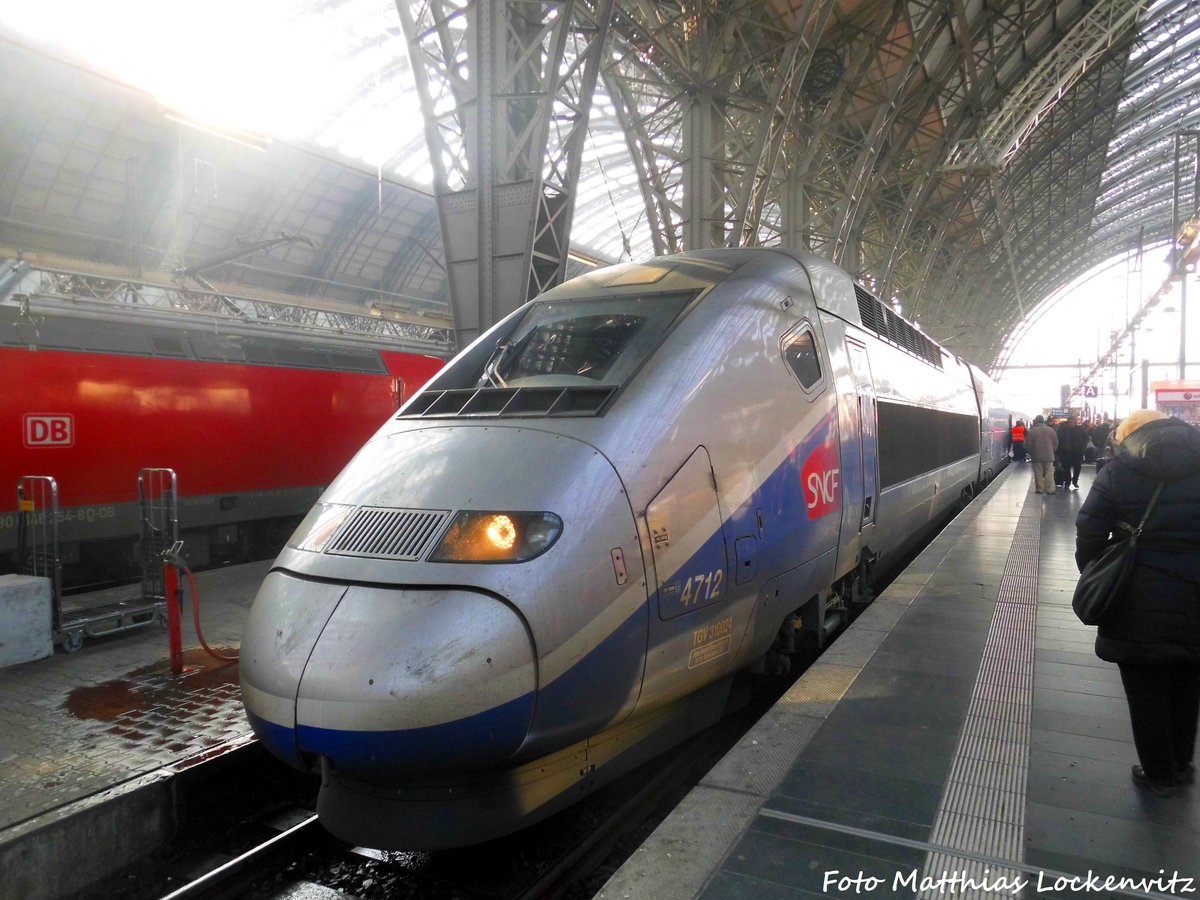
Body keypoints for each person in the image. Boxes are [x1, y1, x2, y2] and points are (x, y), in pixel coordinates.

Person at [1075, 410, 1200, 797]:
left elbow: (1089, 534)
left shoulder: (1116, 472)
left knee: (1145, 692)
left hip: (1135, 596)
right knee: (1187, 686)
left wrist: (1098, 572)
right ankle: (1181, 764)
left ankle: (1158, 774)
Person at [1026, 415, 1059, 494]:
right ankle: (1050, 489)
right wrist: (1051, 450)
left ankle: (1039, 489)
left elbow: (1028, 444)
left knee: (1038, 473)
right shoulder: (1051, 430)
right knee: (1049, 472)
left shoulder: (1032, 431)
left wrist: (1031, 452)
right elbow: (1056, 443)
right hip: (1049, 455)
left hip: (1036, 455)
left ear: (1036, 421)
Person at [1057, 414, 1089, 489]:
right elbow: (1059, 440)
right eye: (1070, 422)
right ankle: (1068, 481)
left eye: (1072, 422)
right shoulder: (1063, 430)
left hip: (1077, 452)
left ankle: (1075, 481)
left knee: (1077, 467)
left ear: (1075, 422)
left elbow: (1085, 439)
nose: (1071, 424)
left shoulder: (1080, 429)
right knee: (1066, 468)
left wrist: (1083, 449)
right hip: (1065, 452)